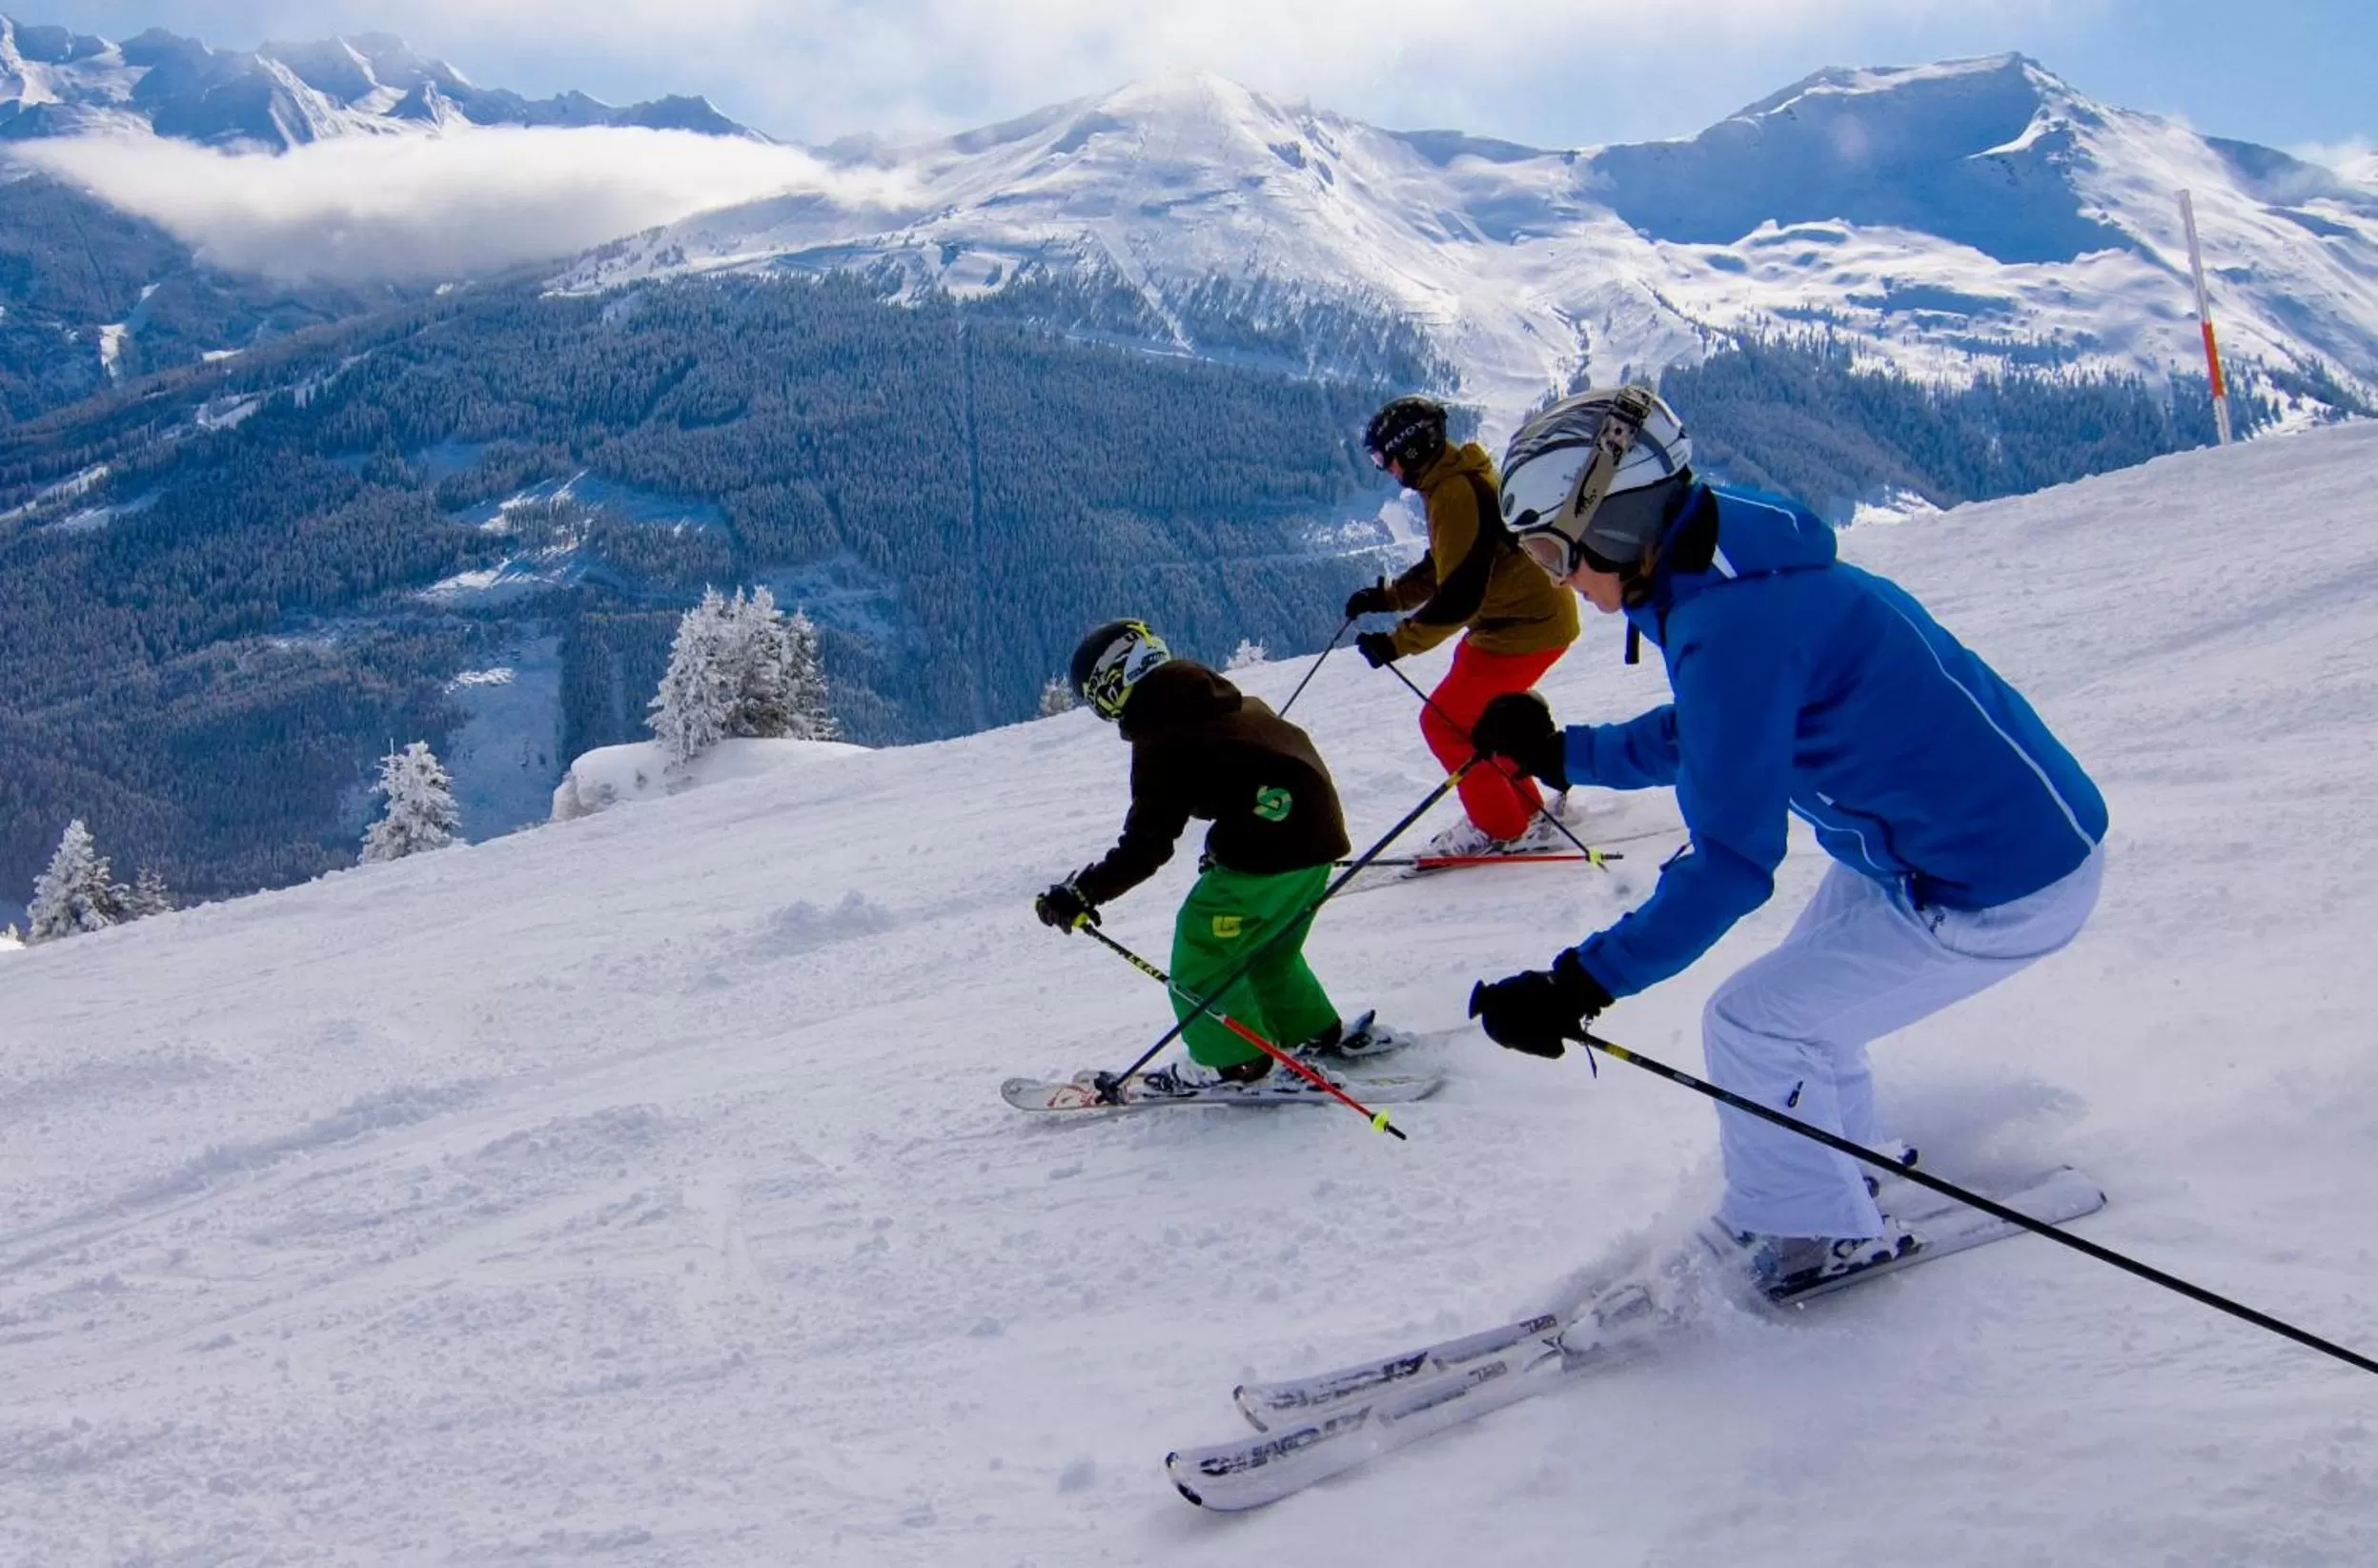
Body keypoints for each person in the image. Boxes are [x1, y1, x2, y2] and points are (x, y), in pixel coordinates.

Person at [1462, 387, 2109, 1294]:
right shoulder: (1732, 576)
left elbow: (1730, 862)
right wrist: (1564, 752)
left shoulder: (1732, 623)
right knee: (1797, 1015)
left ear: (1606, 522)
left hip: (1995, 879)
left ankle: (1813, 1230)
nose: (1556, 577)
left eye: (1548, 550)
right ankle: (1839, 1174)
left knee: (1755, 1024)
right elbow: (1716, 730)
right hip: (1955, 847)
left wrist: (1579, 983)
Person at [1035, 620, 1400, 1093]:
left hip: (1272, 851)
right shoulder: (1211, 696)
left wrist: (1083, 893)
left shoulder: (1161, 736)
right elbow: (1251, 775)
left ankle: (1235, 1063)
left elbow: (1147, 845)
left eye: (1096, 698)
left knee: (1201, 948)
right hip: (1318, 840)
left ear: (1112, 686)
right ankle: (1310, 1030)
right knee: (1270, 951)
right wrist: (1224, 844)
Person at [1348, 396, 1581, 859]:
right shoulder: (1451, 483)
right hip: (1519, 622)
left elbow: (1459, 597)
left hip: (1525, 628)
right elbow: (1447, 564)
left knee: (1445, 722)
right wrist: (1389, 598)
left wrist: (1397, 643)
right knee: (1480, 716)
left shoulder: (1454, 492)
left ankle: (1500, 827)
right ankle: (1525, 812)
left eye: (1383, 458)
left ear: (1409, 449)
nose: (1385, 469)